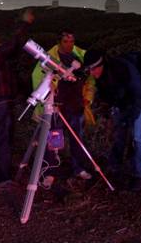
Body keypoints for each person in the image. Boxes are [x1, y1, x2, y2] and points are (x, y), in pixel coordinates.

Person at [0, 9, 34, 187]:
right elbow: (14, 44)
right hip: (1, 101)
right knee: (3, 138)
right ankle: (2, 176)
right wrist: (24, 24)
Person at [31, 31, 94, 183]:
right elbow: (37, 77)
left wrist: (88, 98)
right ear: (59, 42)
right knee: (54, 138)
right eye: (66, 41)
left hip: (76, 104)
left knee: (77, 138)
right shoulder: (50, 57)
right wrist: (48, 97)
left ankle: (78, 168)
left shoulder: (81, 56)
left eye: (72, 41)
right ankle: (51, 171)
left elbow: (91, 78)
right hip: (57, 105)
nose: (69, 44)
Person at [95, 50, 141, 192]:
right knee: (119, 136)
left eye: (94, 69)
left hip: (134, 104)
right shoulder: (100, 75)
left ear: (102, 65)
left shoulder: (124, 68)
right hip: (119, 106)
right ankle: (114, 166)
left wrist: (133, 115)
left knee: (137, 138)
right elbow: (105, 94)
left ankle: (139, 174)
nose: (92, 73)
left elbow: (138, 92)